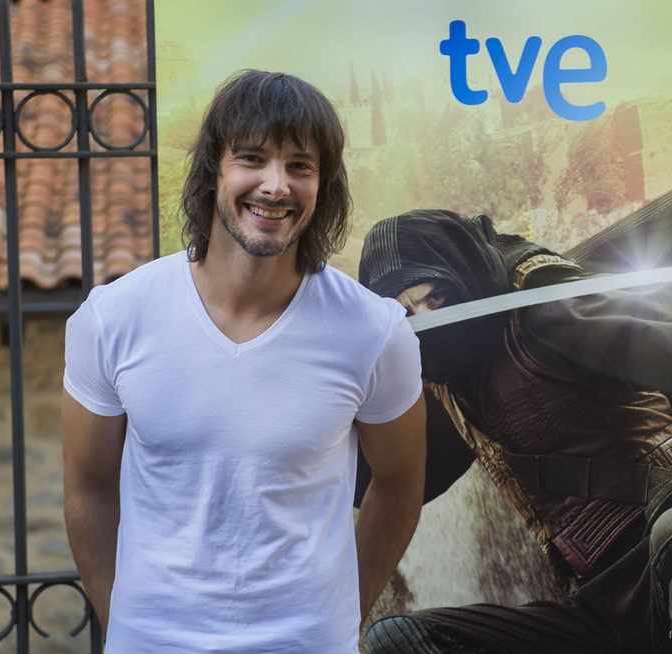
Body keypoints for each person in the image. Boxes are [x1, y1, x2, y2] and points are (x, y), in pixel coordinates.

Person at [61, 69, 426, 652]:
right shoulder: (113, 319)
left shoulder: (375, 333)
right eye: (252, 158)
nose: (276, 185)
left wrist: (336, 623)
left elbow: (401, 483)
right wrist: (127, 627)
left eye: (300, 166)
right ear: (213, 173)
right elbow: (88, 486)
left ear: (322, 185)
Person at [356, 206, 672, 653]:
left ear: (462, 276)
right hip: (602, 605)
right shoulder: (441, 377)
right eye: (407, 314)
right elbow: (387, 474)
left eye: (435, 298)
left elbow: (665, 334)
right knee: (400, 641)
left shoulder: (542, 310)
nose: (428, 321)